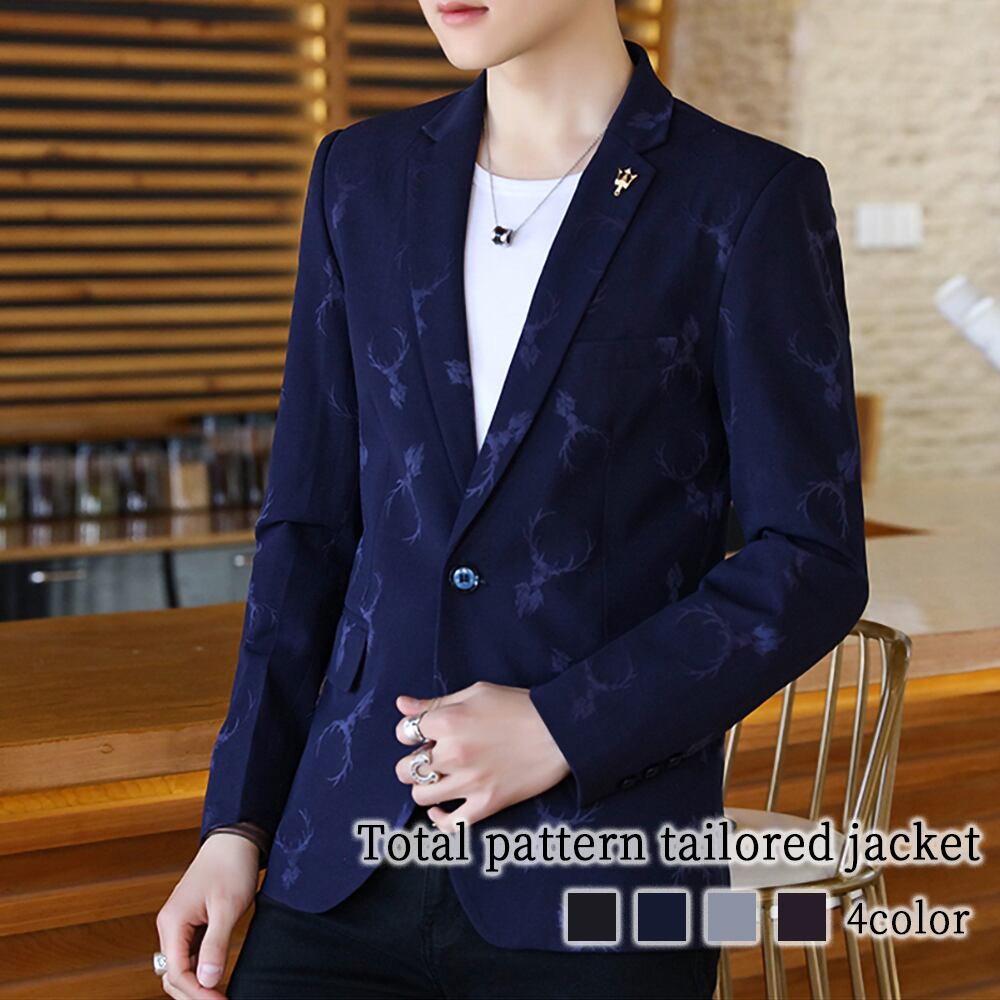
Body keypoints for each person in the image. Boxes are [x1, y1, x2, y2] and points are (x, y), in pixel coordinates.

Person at [154, 1, 869, 997]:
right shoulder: (359, 176)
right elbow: (308, 532)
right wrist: (237, 822)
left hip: (594, 880)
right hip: (337, 870)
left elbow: (811, 556)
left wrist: (562, 725)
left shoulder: (744, 197)